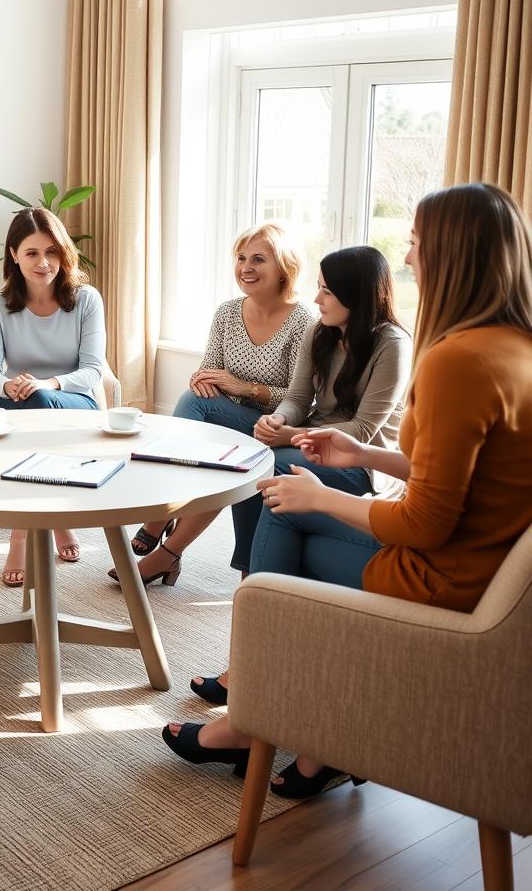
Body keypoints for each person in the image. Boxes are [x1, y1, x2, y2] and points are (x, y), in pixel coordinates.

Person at [162, 183, 532, 801]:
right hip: (492, 571)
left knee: (285, 513)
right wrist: (363, 454)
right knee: (287, 500)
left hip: (444, 577)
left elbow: (424, 526)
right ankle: (311, 737)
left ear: (454, 254)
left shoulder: (453, 360)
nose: (409, 259)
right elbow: (462, 475)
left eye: (416, 242)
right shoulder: (515, 347)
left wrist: (325, 498)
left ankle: (253, 717)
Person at [182, 244, 411, 706]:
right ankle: (251, 591)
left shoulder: (392, 344)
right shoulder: (321, 332)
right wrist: (278, 421)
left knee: (269, 467)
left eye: (327, 290)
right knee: (255, 454)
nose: (318, 298)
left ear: (357, 295)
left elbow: (363, 430)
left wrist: (286, 438)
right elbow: (297, 396)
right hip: (307, 441)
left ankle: (249, 613)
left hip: (360, 464)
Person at [115, 223, 311, 585]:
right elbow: (208, 369)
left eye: (258, 259)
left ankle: (163, 530)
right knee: (196, 402)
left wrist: (245, 387)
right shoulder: (227, 312)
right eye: (240, 258)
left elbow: (302, 396)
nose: (246, 268)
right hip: (228, 416)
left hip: (275, 423)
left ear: (284, 266)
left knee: (232, 454)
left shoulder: (303, 322)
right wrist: (202, 378)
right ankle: (172, 542)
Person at [0, 207, 106, 586]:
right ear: (14, 255)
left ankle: (20, 535)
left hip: (73, 402)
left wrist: (48, 385)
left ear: (63, 253)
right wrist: (8, 385)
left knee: (37, 403)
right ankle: (57, 522)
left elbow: (93, 371)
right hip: (15, 401)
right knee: (26, 408)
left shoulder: (86, 300)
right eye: (32, 253)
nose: (43, 262)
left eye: (52, 252)